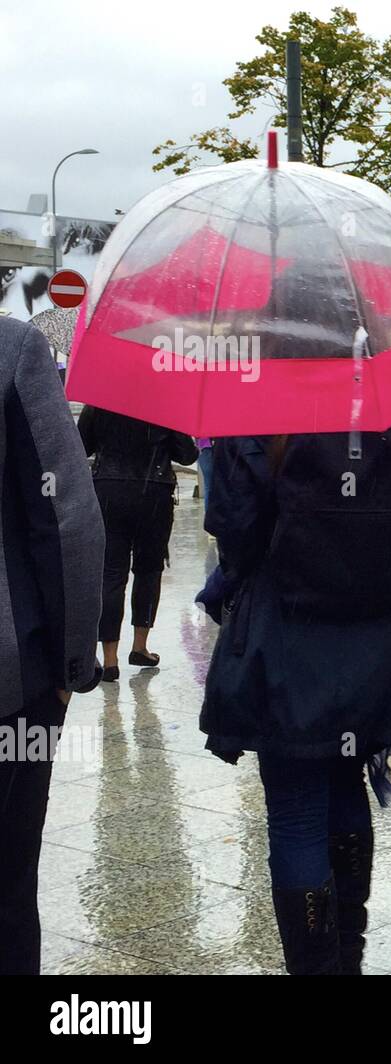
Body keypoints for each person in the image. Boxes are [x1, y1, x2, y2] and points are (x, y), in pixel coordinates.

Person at [200, 417, 391, 975]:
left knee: (296, 810)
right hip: (376, 646)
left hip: (286, 640)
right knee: (345, 781)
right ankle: (347, 958)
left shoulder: (258, 406)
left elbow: (235, 531)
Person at [0, 316, 105, 974]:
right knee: (8, 886)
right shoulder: (13, 348)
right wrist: (71, 663)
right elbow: (65, 515)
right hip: (12, 686)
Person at [77, 406, 197, 680]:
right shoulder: (163, 404)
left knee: (111, 574)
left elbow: (80, 446)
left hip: (109, 491)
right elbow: (188, 456)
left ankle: (109, 660)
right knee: (149, 569)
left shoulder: (99, 401)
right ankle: (140, 646)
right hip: (153, 493)